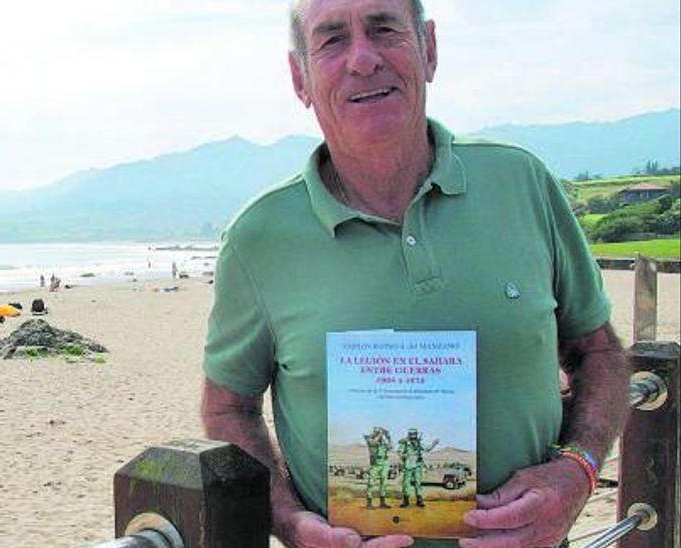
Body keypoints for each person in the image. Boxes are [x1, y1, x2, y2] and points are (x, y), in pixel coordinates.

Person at [200, 2, 628, 547]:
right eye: (332, 39)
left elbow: (602, 353)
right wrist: (285, 520)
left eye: (383, 28)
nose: (362, 59)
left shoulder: (521, 182)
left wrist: (578, 471)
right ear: (299, 77)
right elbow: (228, 407)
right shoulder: (258, 236)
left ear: (428, 48)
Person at [363, 427, 392, 509]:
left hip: (384, 463)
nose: (379, 434)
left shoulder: (383, 443)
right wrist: (380, 435)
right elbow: (373, 443)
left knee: (383, 483)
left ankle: (382, 503)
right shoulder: (370, 440)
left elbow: (391, 447)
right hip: (375, 464)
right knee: (371, 483)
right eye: (377, 432)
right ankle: (369, 503)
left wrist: (389, 437)